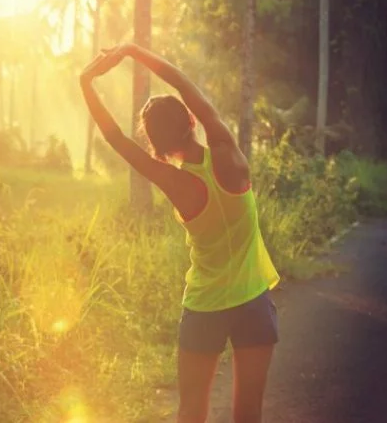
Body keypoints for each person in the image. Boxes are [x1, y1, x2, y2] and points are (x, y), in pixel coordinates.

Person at [79, 43, 280, 423]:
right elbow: (185, 85)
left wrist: (86, 81)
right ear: (191, 120)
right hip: (253, 300)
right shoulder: (226, 150)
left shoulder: (172, 181)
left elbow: (116, 139)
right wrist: (133, 51)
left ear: (157, 146)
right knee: (248, 412)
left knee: (190, 410)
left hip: (205, 306)